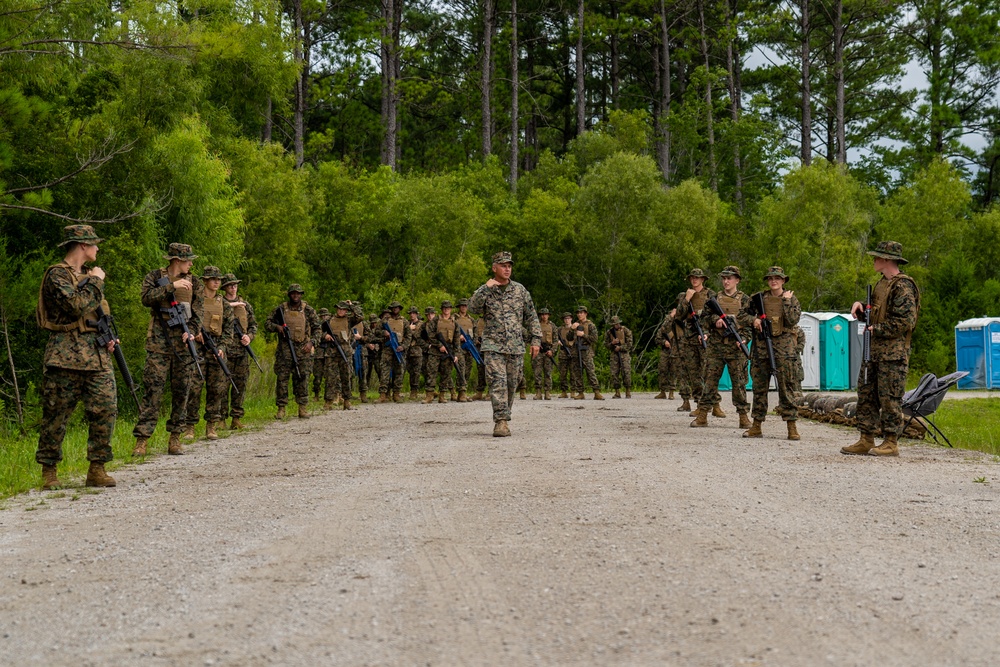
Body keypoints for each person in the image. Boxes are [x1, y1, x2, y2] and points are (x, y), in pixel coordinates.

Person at [35, 225, 118, 489]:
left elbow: (96, 313)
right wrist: (97, 281)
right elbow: (75, 306)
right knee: (56, 415)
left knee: (105, 409)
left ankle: (97, 468)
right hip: (65, 355)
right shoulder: (57, 274)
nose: (97, 248)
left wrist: (109, 337)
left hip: (97, 355)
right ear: (82, 245)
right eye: (94, 244)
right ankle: (49, 471)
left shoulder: (88, 276)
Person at [841, 241, 920, 457]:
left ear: (887, 259)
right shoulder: (881, 284)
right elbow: (875, 313)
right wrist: (861, 308)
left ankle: (891, 442)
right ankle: (866, 438)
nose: (874, 260)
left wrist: (876, 328)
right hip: (874, 351)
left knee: (889, 398)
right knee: (866, 394)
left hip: (892, 355)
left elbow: (905, 322)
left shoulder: (903, 286)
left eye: (877, 257)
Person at [133, 243, 204, 457]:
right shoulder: (155, 276)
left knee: (182, 390)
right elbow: (146, 298)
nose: (191, 264)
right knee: (153, 391)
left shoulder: (195, 283)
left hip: (183, 344)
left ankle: (175, 437)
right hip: (159, 342)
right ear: (177, 260)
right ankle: (142, 439)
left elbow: (199, 313)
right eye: (188, 260)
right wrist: (172, 287)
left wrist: (192, 332)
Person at [468, 251, 542, 436]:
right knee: (497, 382)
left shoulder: (519, 290)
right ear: (495, 268)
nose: (507, 269)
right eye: (503, 266)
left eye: (509, 266)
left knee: (511, 383)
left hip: (515, 345)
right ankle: (501, 421)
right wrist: (485, 288)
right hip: (493, 345)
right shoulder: (487, 290)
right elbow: (472, 308)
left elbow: (531, 316)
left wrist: (536, 340)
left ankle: (504, 415)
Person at [743, 267, 802, 441]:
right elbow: (741, 315)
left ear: (783, 281)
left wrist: (786, 301)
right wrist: (753, 320)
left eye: (777, 278)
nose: (773, 281)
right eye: (770, 278)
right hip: (761, 350)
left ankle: (791, 426)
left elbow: (792, 320)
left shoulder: (791, 298)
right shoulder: (758, 298)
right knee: (759, 389)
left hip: (784, 351)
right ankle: (756, 426)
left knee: (786, 389)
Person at [692, 266, 753, 429]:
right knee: (710, 382)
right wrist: (715, 321)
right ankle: (703, 415)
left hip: (736, 348)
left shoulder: (745, 300)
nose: (726, 281)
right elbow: (703, 320)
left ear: (737, 280)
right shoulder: (714, 298)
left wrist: (744, 339)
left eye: (729, 278)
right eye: (724, 278)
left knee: (739, 384)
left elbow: (749, 324)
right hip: (716, 347)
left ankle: (743, 417)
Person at [182, 266, 233, 441]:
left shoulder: (224, 304)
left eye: (218, 279)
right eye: (213, 279)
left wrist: (222, 347)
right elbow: (186, 320)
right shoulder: (195, 300)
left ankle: (211, 425)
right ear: (205, 281)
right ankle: (190, 426)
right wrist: (194, 332)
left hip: (216, 348)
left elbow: (229, 329)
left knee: (216, 389)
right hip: (197, 348)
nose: (216, 282)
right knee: (194, 388)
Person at [266, 284, 320, 419]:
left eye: (298, 293)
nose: (296, 295)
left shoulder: (308, 310)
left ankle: (302, 408)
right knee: (282, 380)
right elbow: (267, 324)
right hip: (284, 350)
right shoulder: (280, 309)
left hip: (303, 350)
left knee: (303, 378)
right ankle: (281, 409)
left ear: (301, 294)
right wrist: (277, 327)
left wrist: (311, 343)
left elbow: (318, 329)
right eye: (293, 293)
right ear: (289, 295)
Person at [675, 268, 715, 414]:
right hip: (690, 338)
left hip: (707, 337)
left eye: (697, 277)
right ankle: (699, 404)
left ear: (703, 279)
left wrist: (707, 332)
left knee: (709, 372)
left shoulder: (710, 294)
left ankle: (714, 404)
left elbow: (715, 315)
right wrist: (687, 299)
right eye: (692, 277)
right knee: (694, 374)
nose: (694, 280)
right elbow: (678, 316)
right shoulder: (684, 295)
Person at [222, 272, 257, 430]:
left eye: (235, 285)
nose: (233, 288)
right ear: (225, 288)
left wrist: (249, 337)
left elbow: (253, 325)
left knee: (240, 384)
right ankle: (220, 419)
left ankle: (236, 418)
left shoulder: (245, 305)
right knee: (222, 386)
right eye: (230, 285)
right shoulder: (219, 303)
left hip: (242, 352)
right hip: (225, 350)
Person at [322, 300, 364, 410]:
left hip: (345, 351)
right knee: (330, 377)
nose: (341, 311)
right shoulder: (329, 320)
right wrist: (325, 336)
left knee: (346, 376)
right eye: (339, 309)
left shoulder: (349, 320)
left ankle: (347, 401)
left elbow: (360, 316)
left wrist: (351, 306)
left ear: (346, 310)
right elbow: (318, 330)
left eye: (344, 309)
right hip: (332, 352)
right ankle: (328, 402)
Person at [423, 300, 462, 403]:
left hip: (448, 351)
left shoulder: (454, 323)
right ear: (441, 309)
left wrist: (456, 354)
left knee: (446, 373)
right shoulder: (435, 320)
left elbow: (456, 340)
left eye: (448, 308)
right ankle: (429, 395)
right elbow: (430, 334)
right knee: (431, 372)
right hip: (435, 351)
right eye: (444, 308)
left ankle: (442, 395)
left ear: (451, 309)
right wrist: (439, 345)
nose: (446, 310)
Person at [378, 301, 411, 402]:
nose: (395, 309)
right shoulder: (385, 320)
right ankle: (383, 394)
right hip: (387, 349)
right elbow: (376, 331)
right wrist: (384, 332)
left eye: (397, 307)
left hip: (399, 349)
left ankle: (396, 393)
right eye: (393, 307)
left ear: (400, 309)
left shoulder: (404, 321)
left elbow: (409, 336)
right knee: (384, 371)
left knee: (399, 371)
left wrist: (403, 346)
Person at [570, 306, 603, 400]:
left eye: (581, 313)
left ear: (585, 314)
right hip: (576, 351)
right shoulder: (575, 325)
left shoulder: (590, 325)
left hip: (586, 351)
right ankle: (580, 392)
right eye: (578, 313)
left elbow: (595, 339)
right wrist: (572, 329)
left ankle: (596, 392)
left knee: (590, 371)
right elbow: (569, 338)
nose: (579, 314)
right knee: (577, 372)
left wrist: (583, 335)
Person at [604, 316, 633, 398]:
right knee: (614, 373)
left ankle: (628, 391)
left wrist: (620, 348)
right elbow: (606, 345)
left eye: (617, 323)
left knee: (626, 372)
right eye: (614, 324)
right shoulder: (609, 332)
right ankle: (617, 392)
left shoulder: (626, 330)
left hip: (624, 354)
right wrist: (612, 343)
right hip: (614, 355)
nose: (616, 325)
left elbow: (630, 344)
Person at [454, 298, 476, 402]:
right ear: (459, 307)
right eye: (462, 306)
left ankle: (463, 391)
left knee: (468, 369)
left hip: (469, 347)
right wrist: (458, 337)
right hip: (458, 347)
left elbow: (475, 333)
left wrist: (473, 343)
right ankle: (461, 391)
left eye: (465, 306)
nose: (463, 307)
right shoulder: (454, 318)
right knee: (461, 368)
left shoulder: (471, 319)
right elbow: (449, 330)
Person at [532, 308, 556, 400]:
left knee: (548, 372)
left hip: (548, 351)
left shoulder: (552, 326)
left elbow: (555, 340)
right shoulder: (536, 325)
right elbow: (531, 337)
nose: (544, 316)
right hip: (538, 351)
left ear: (548, 315)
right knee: (537, 372)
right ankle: (538, 392)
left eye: (546, 314)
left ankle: (547, 392)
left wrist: (552, 351)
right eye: (542, 314)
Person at [405, 306, 425, 400]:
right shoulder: (407, 323)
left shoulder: (421, 324)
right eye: (410, 313)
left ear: (417, 314)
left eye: (413, 313)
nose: (412, 315)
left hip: (417, 350)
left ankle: (414, 391)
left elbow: (418, 335)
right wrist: (409, 329)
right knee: (409, 371)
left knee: (416, 372)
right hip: (407, 351)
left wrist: (409, 330)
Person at [312, 307, 332, 401]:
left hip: (329, 352)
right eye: (322, 316)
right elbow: (315, 336)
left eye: (326, 315)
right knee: (317, 375)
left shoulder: (331, 325)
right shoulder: (317, 325)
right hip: (319, 353)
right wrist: (324, 336)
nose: (324, 317)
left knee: (330, 375)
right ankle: (316, 394)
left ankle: (330, 395)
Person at [653, 311, 673, 400]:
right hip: (665, 351)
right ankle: (662, 392)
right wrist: (664, 342)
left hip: (675, 351)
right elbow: (657, 339)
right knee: (662, 370)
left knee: (673, 371)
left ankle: (671, 392)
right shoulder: (663, 329)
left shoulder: (678, 327)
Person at [556, 312, 576, 398]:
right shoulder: (560, 329)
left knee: (573, 373)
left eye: (568, 318)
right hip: (563, 353)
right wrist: (558, 342)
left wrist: (570, 343)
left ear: (571, 319)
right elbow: (555, 337)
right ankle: (564, 391)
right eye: (565, 319)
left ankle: (573, 391)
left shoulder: (574, 328)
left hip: (573, 352)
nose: (567, 320)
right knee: (562, 373)